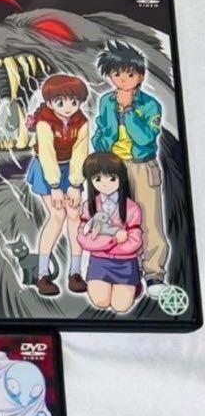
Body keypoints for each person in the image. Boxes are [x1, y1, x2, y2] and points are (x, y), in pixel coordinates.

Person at [92, 40, 168, 296]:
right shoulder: (105, 101)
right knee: (117, 220)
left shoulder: (150, 104)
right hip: (113, 169)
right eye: (116, 74)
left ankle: (154, 274)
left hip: (143, 167)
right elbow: (101, 134)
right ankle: (128, 273)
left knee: (149, 221)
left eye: (130, 74)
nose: (122, 79)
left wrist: (128, 112)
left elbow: (145, 138)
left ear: (141, 76)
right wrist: (102, 150)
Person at [24, 73, 90, 297]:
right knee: (57, 215)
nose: (68, 107)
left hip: (71, 168)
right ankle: (42, 274)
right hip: (46, 169)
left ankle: (75, 273)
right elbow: (47, 154)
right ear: (50, 103)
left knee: (75, 215)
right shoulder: (44, 122)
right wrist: (54, 187)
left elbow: (80, 153)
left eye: (74, 101)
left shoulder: (82, 121)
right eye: (60, 102)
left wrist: (75, 184)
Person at [77, 150, 144, 313]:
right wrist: (112, 240)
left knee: (121, 307)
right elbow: (83, 239)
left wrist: (101, 243)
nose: (105, 184)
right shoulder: (88, 206)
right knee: (100, 302)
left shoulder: (132, 208)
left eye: (112, 178)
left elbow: (135, 241)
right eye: (98, 179)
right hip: (99, 263)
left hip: (126, 263)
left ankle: (134, 283)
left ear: (121, 178)